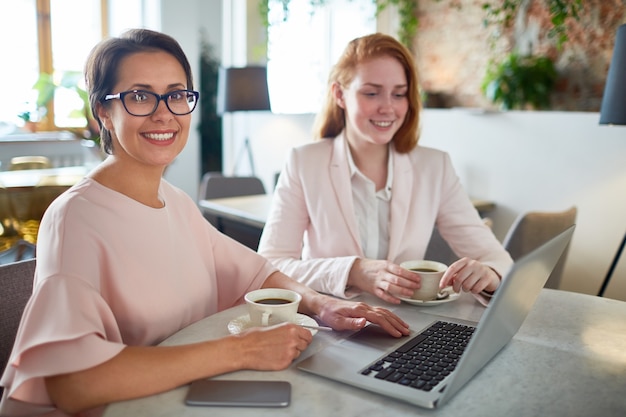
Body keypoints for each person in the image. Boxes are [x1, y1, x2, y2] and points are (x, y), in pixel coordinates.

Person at [0, 29, 410, 417]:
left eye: (176, 95)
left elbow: (259, 272)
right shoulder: (76, 217)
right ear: (104, 112)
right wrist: (243, 351)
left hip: (190, 399)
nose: (164, 115)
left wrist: (326, 305)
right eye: (140, 96)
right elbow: (73, 383)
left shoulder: (176, 203)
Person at [257, 33, 513, 305]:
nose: (388, 107)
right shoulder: (304, 162)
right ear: (340, 95)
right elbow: (270, 266)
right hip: (329, 324)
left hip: (406, 329)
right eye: (371, 93)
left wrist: (489, 275)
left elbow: (499, 260)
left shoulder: (434, 167)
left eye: (399, 94)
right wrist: (352, 271)